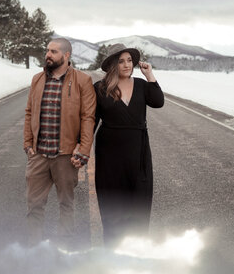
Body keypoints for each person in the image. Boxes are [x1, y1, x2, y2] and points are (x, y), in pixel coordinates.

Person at [23, 37, 96, 247]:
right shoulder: (37, 79)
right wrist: (28, 143)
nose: (48, 55)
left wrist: (83, 149)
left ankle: (65, 247)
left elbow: (88, 117)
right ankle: (33, 250)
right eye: (47, 50)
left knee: (66, 204)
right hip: (38, 154)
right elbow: (29, 112)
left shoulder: (82, 81)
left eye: (54, 51)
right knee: (34, 205)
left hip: (65, 156)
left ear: (66, 55)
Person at [94, 43, 164, 246]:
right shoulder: (100, 88)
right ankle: (112, 252)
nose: (127, 65)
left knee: (138, 203)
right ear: (113, 65)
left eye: (129, 60)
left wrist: (150, 75)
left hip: (138, 152)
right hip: (109, 154)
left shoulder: (142, 85)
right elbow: (92, 120)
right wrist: (81, 149)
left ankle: (136, 251)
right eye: (121, 61)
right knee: (112, 203)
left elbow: (158, 101)